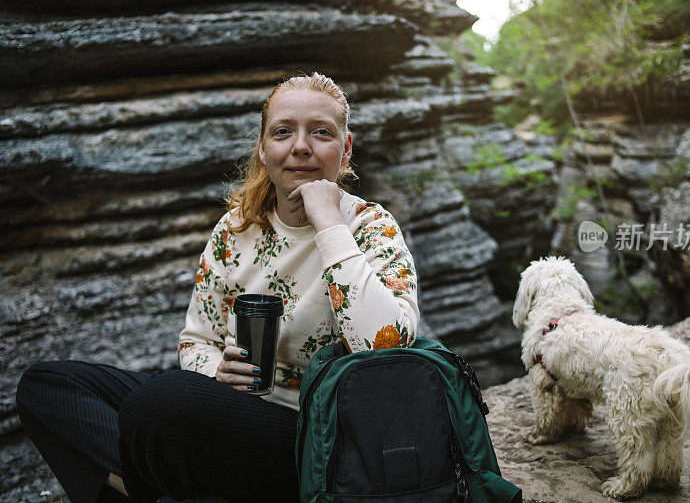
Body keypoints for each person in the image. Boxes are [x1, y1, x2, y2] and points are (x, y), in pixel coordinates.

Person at [16, 72, 420, 503]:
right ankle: (162, 491)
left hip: (314, 435)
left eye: (321, 133)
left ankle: (153, 487)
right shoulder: (237, 228)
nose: (301, 146)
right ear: (265, 150)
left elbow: (386, 349)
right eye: (283, 132)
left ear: (346, 150)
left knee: (161, 405)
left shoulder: (370, 228)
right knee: (46, 385)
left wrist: (328, 222)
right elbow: (196, 341)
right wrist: (215, 372)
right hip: (228, 406)